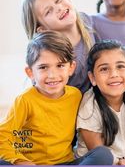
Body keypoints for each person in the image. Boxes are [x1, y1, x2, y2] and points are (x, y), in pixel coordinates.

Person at [0, 31, 113, 165]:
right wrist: (20, 161)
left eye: (60, 66)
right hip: (32, 164)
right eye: (43, 67)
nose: (52, 75)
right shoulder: (25, 100)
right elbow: (3, 136)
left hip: (65, 163)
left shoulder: (75, 95)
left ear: (71, 68)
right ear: (30, 72)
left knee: (103, 154)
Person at [75, 39, 125, 165]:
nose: (113, 74)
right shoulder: (89, 105)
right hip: (100, 163)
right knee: (103, 156)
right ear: (92, 78)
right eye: (104, 69)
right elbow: (99, 154)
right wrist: (118, 163)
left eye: (120, 66)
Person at [21, 0, 95, 92]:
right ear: (43, 30)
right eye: (48, 12)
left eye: (58, 0)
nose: (59, 8)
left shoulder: (87, 21)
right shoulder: (48, 58)